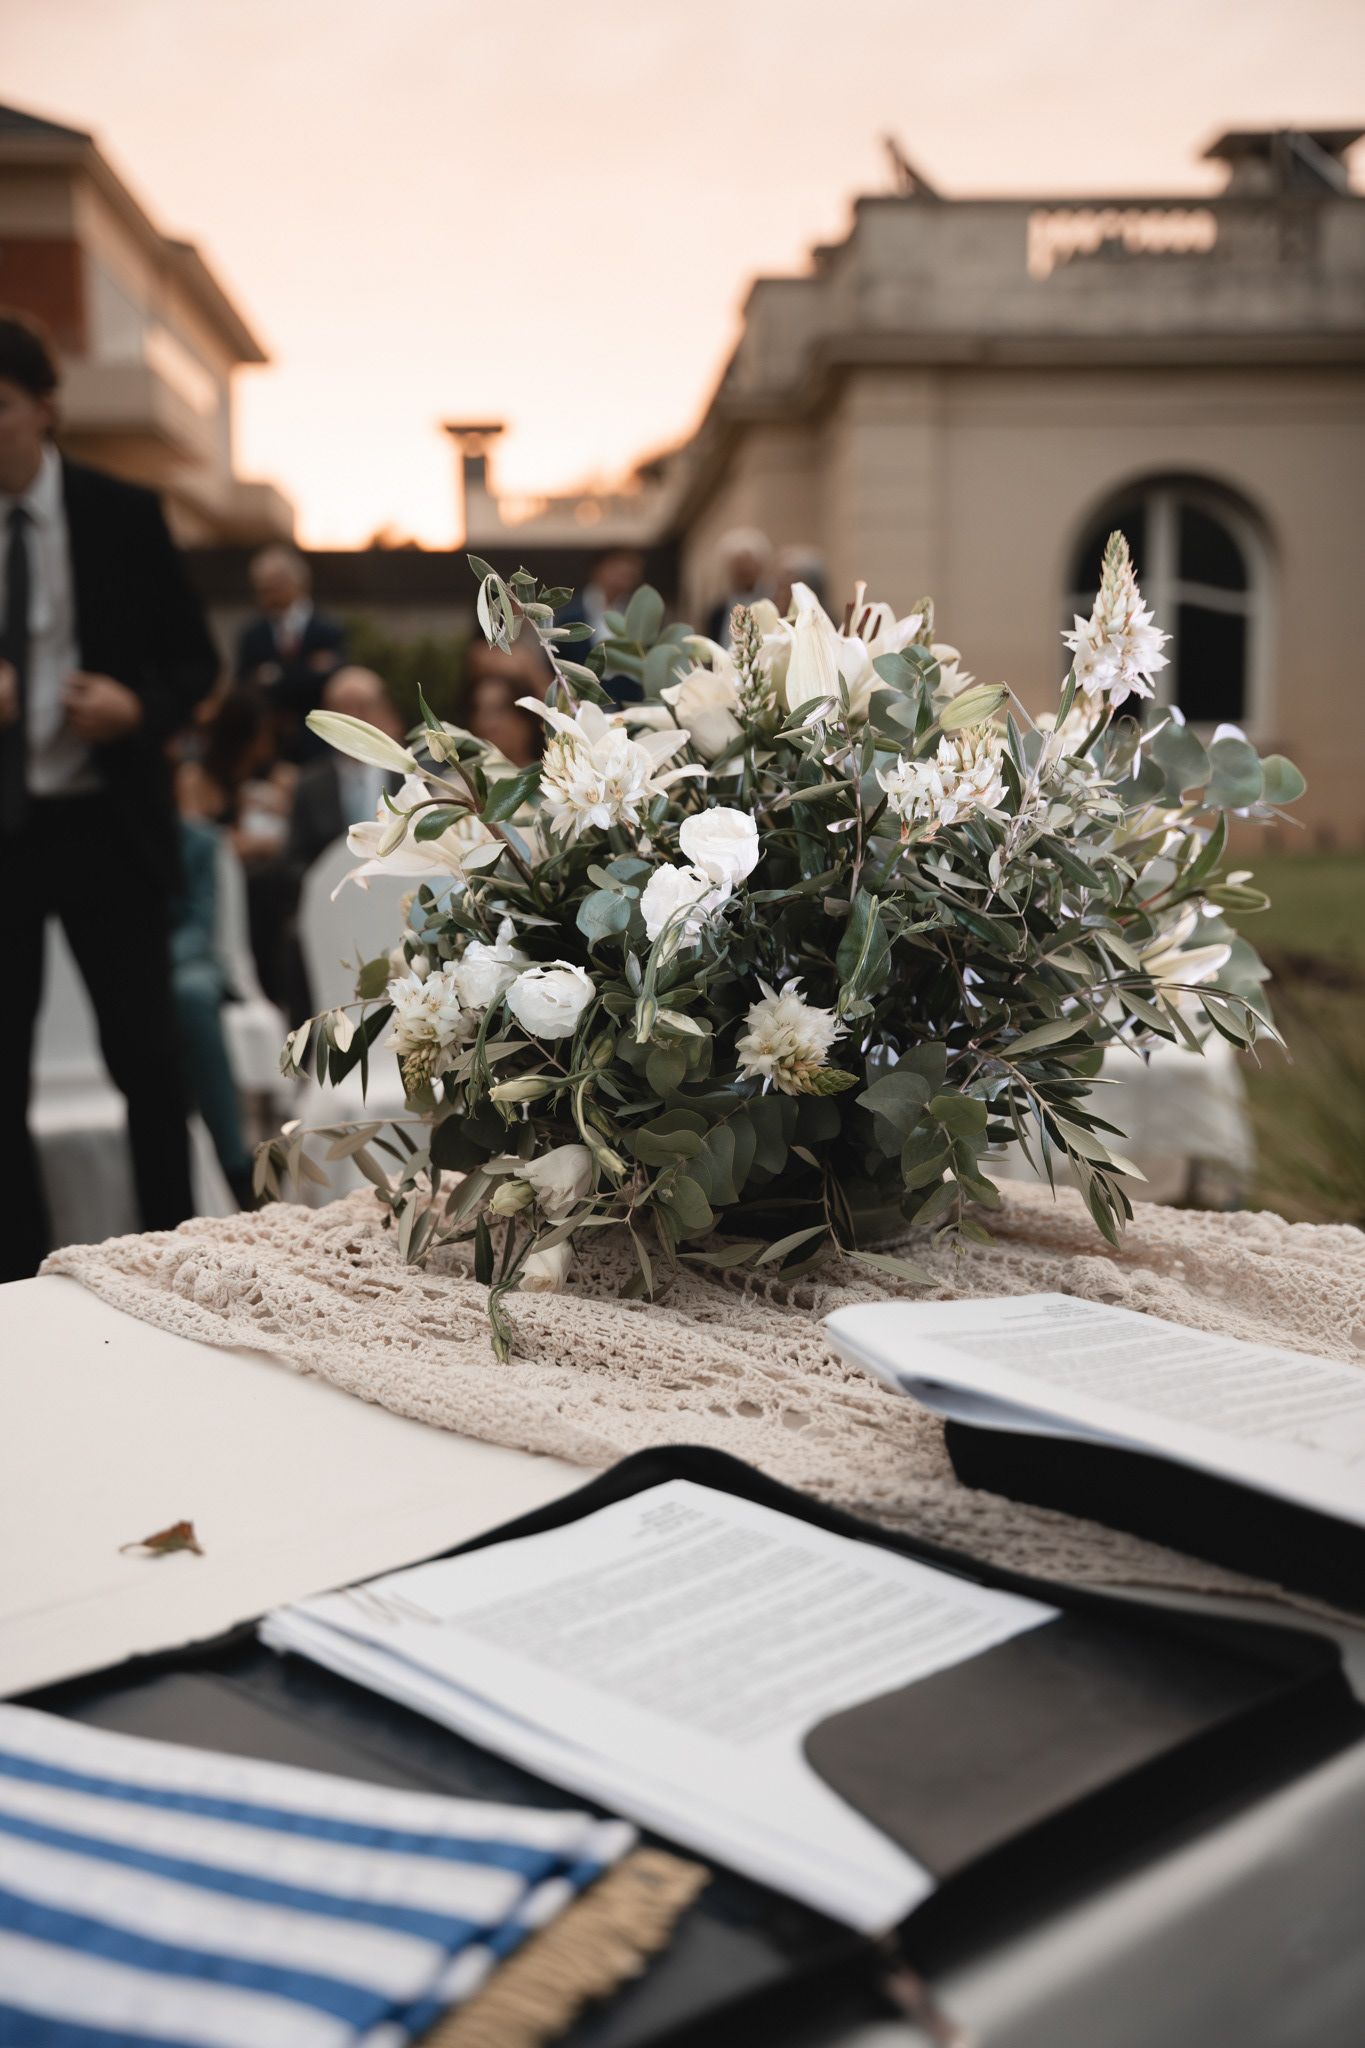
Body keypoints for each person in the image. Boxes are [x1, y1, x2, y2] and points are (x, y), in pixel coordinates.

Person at [0, 310, 219, 1279]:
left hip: (107, 822)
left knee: (147, 1054)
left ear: (44, 408)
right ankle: (17, 1283)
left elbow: (195, 659)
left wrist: (137, 706)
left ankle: (170, 1257)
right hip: (4, 832)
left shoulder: (122, 512)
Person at [177, 686, 302, 1022]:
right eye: (263, 733)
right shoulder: (195, 780)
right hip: (215, 896)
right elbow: (196, 845)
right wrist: (247, 840)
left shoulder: (279, 778)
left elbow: (295, 834)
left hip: (264, 891)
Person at [168, 814, 255, 1212]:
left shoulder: (201, 842)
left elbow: (201, 927)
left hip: (194, 960)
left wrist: (152, 961)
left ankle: (231, 1160)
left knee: (191, 995)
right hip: (128, 964)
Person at [287, 666, 410, 873]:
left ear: (386, 711)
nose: (352, 717)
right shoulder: (310, 784)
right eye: (341, 708)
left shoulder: (414, 775)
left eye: (362, 706)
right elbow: (295, 861)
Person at [235, 545, 345, 757]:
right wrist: (306, 670)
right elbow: (245, 686)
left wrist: (274, 675)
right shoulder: (252, 635)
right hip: (269, 748)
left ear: (295, 584)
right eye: (259, 589)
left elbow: (333, 683)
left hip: (319, 745)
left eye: (270, 588)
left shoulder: (328, 631)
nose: (264, 596)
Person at [556, 547, 645, 705]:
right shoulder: (571, 615)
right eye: (618, 567)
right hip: (581, 705)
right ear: (599, 569)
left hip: (628, 707)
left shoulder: (639, 616)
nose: (625, 574)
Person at [454, 644, 544, 768]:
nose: (484, 723)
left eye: (497, 711)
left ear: (526, 719)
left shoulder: (555, 783)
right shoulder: (454, 785)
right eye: (477, 711)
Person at [705, 528, 772, 645]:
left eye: (746, 570)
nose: (742, 575)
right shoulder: (718, 613)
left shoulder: (771, 603)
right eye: (737, 570)